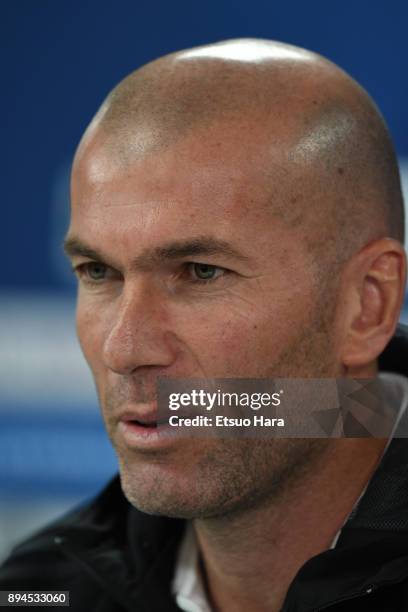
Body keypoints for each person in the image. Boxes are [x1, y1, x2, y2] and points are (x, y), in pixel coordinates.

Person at [1, 38, 408, 612]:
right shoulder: (40, 591)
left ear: (367, 305)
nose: (125, 348)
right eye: (99, 272)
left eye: (201, 272)